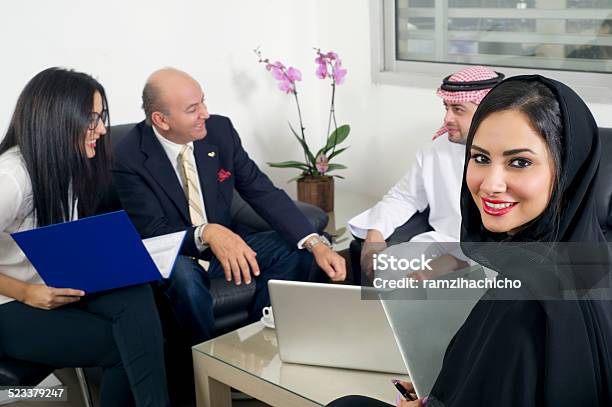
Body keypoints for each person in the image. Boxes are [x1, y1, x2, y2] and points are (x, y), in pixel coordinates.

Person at [328, 75, 612, 406]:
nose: (491, 184)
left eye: (519, 162)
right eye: (479, 158)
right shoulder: (589, 261)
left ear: (567, 171)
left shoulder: (525, 303)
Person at [112, 67, 346, 346]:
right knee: (185, 279)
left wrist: (314, 242)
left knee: (301, 250)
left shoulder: (220, 132)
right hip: (176, 255)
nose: (205, 114)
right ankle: (202, 369)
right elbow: (154, 231)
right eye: (192, 109)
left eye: (203, 101)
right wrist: (206, 232)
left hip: (226, 246)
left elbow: (261, 190)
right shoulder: (127, 156)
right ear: (161, 120)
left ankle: (256, 345)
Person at [0, 68, 170, 407]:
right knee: (125, 346)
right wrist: (26, 292)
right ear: (58, 120)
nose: (103, 129)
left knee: (136, 289)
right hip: (10, 304)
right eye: (92, 119)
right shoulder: (12, 179)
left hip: (52, 285)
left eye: (102, 117)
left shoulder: (66, 164)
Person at [348, 67, 504, 279]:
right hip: (444, 240)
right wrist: (375, 233)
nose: (447, 118)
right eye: (446, 107)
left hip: (493, 251)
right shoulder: (435, 149)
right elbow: (404, 197)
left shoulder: (510, 158)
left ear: (488, 111)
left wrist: (453, 262)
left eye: (458, 109)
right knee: (388, 268)